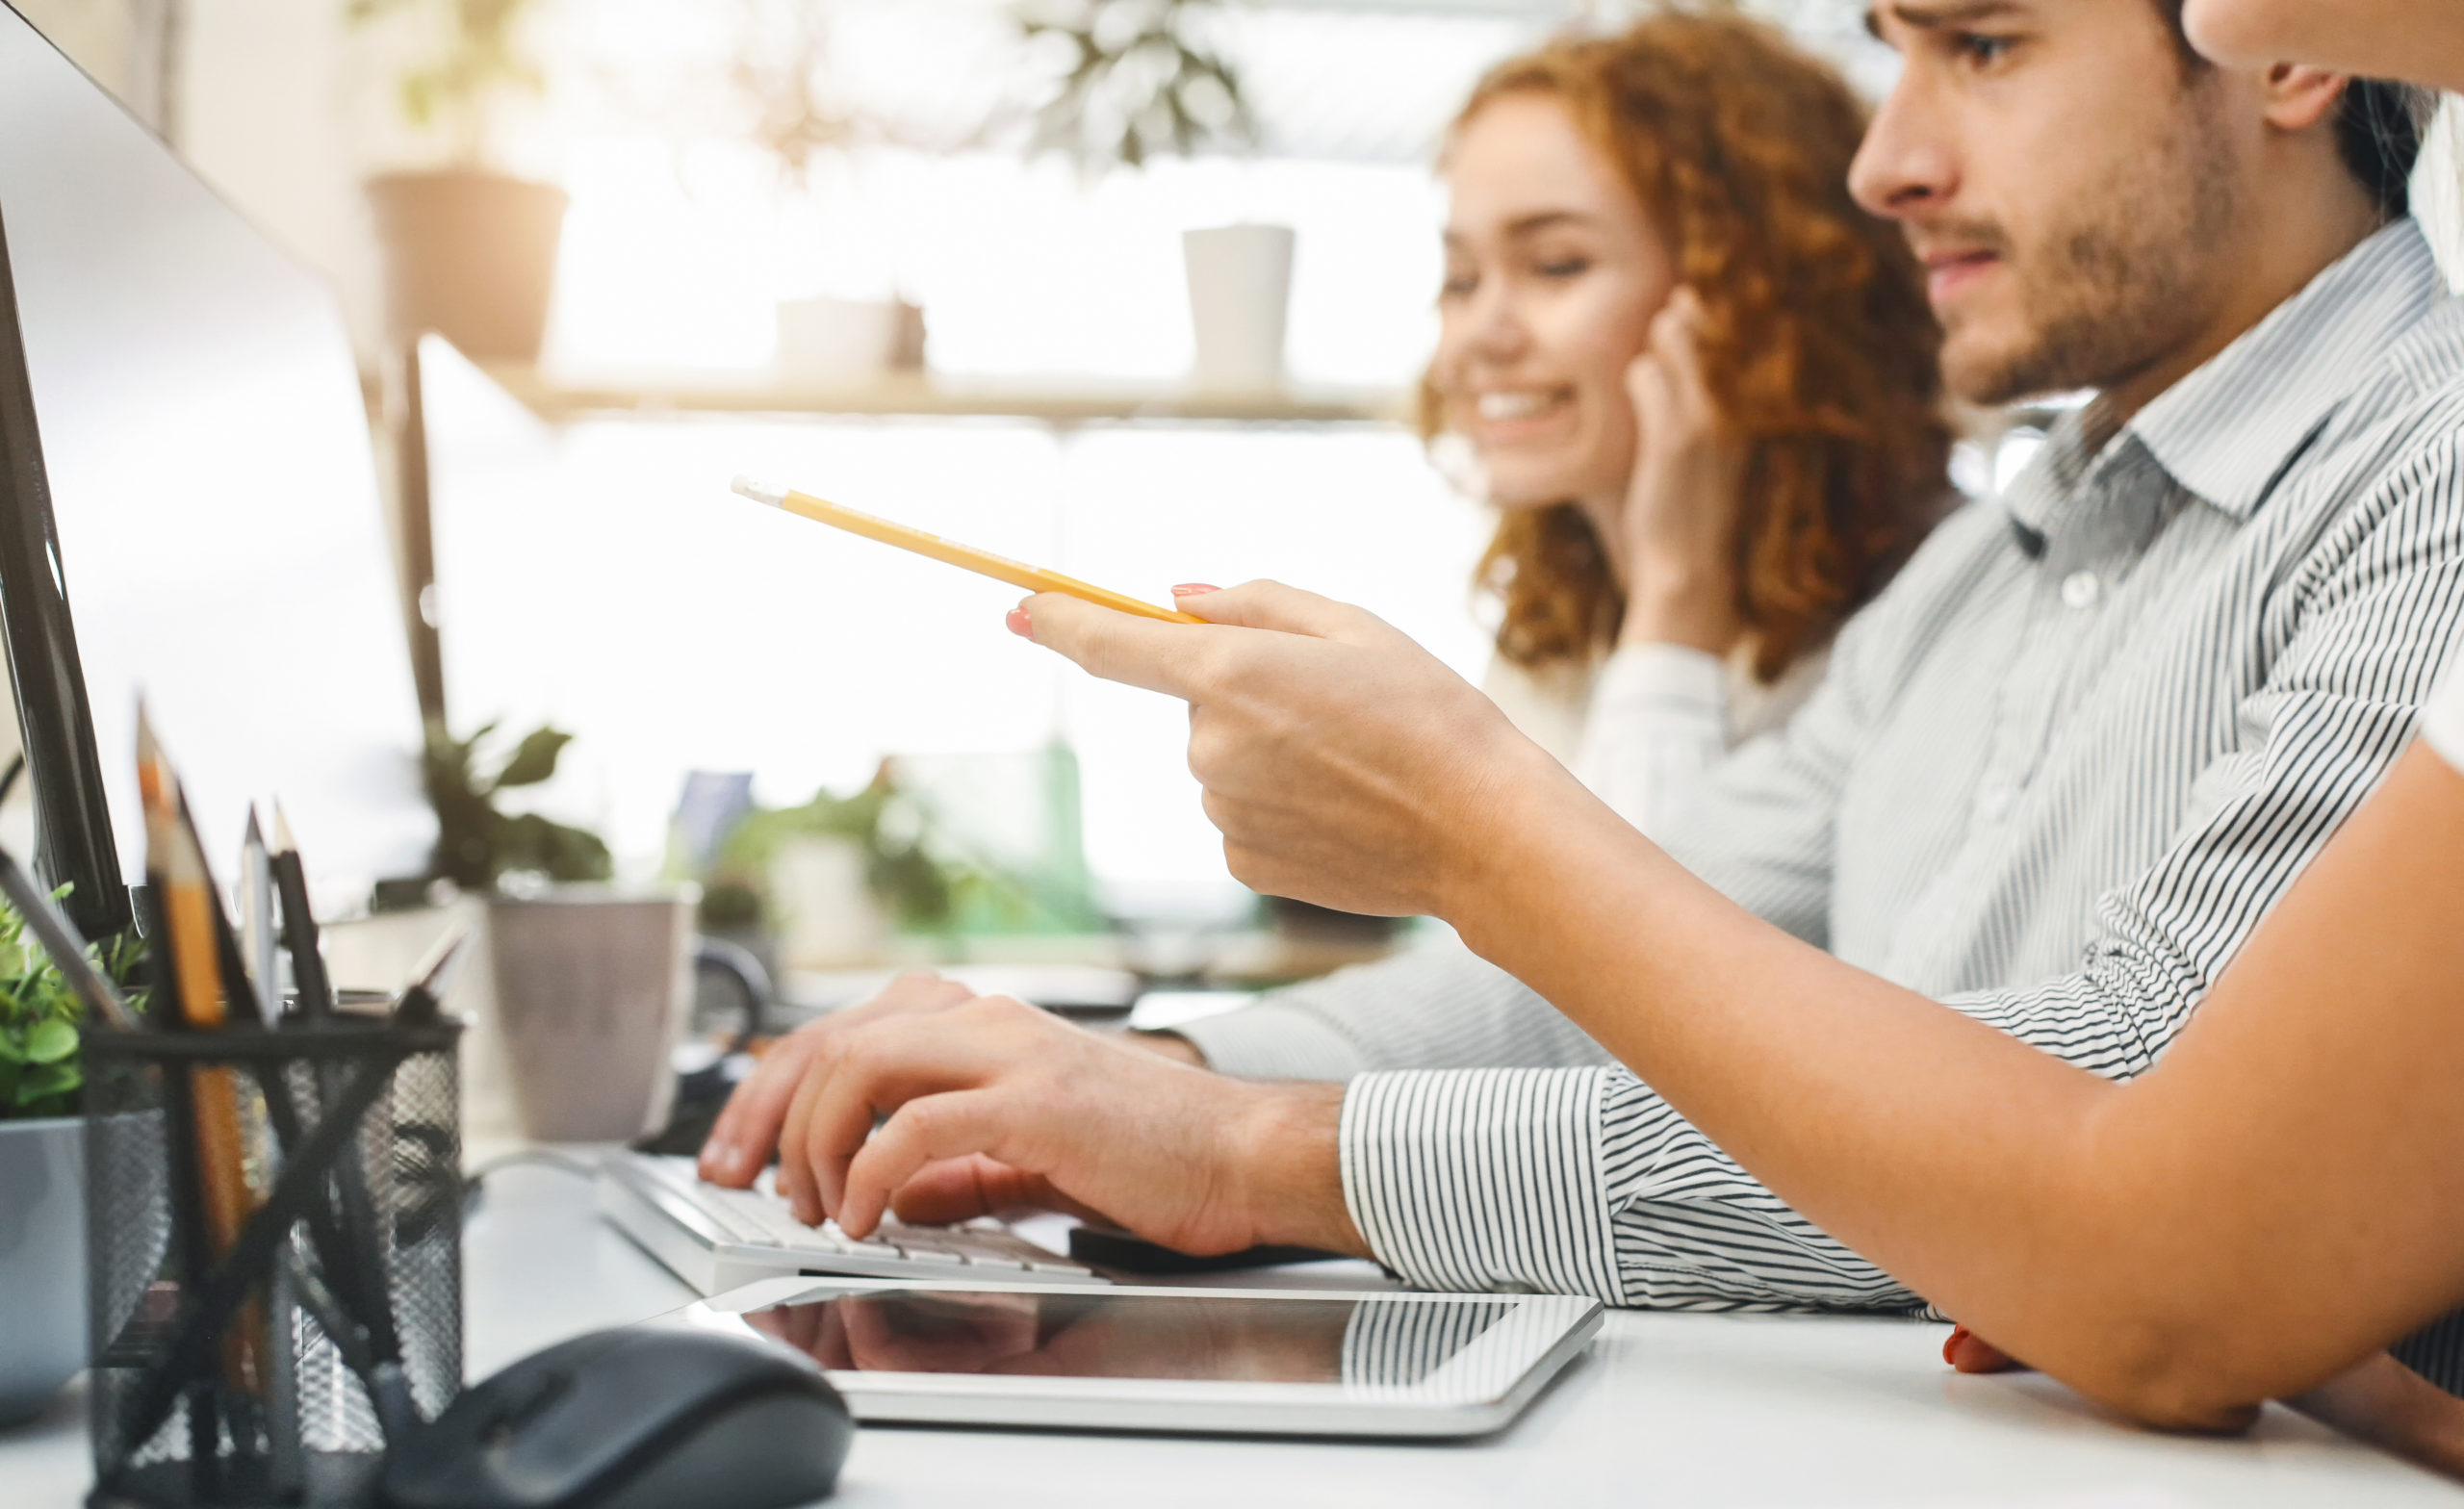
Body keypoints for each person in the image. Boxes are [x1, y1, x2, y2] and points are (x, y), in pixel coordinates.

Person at [702, 0, 2464, 1420]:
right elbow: (1630, 967)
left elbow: (2143, 1145)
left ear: (2281, 51)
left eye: (1983, 46)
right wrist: (1129, 1079)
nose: (1887, 163)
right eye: (1893, 52)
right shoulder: (1984, 570)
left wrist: (1262, 1145)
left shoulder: (2428, 472)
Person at [1424, 15, 1950, 833]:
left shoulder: (1913, 628)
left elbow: (1613, 945)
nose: (1481, 337)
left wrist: (1677, 600)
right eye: (1461, 279)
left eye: (1557, 265)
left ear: (1748, 296)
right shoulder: (1564, 623)